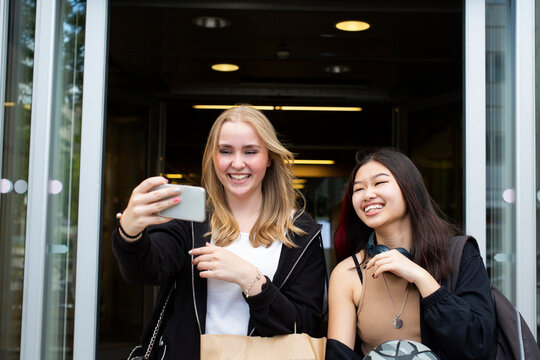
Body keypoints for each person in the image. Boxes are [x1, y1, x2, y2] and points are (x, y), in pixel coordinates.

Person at [113, 106, 326, 359]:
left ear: (269, 157)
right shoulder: (190, 220)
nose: (237, 163)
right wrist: (130, 232)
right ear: (213, 158)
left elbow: (304, 324)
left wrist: (250, 279)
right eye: (225, 151)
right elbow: (146, 270)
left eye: (250, 151)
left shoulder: (301, 231)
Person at [326, 148, 495, 360]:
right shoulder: (348, 273)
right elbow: (338, 356)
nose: (368, 194)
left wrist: (422, 278)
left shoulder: (459, 254)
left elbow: (479, 345)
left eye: (379, 183)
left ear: (409, 189)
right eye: (358, 189)